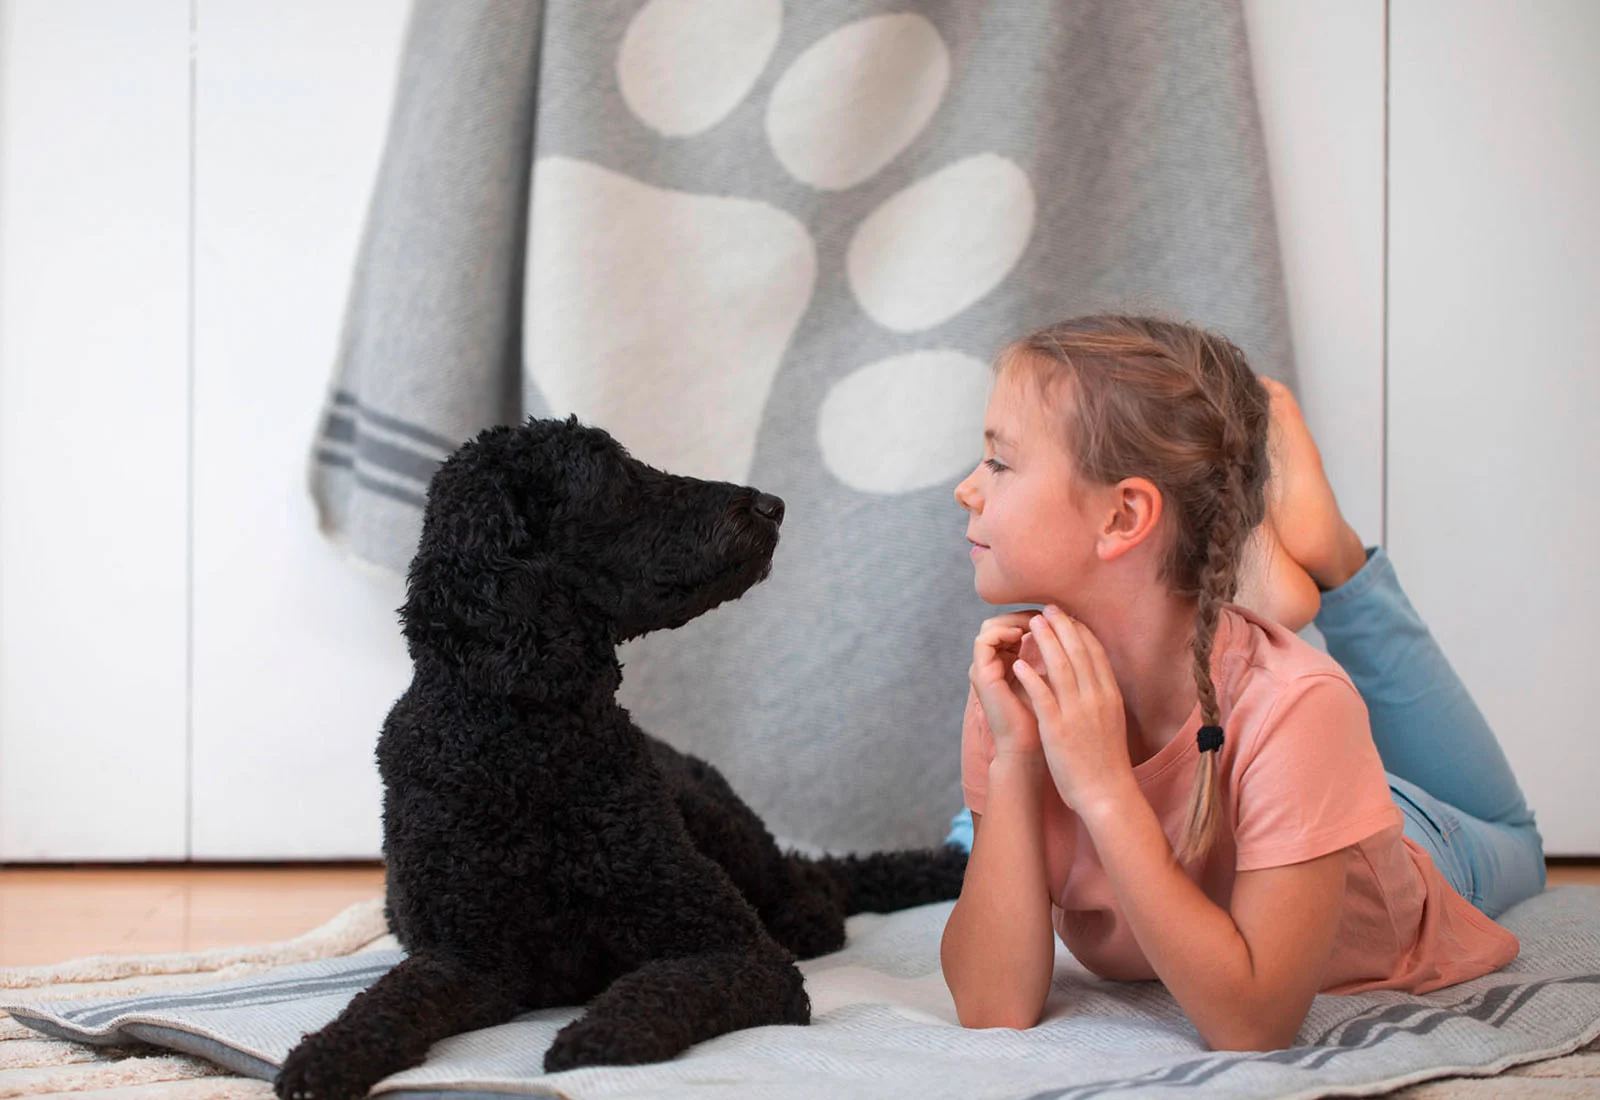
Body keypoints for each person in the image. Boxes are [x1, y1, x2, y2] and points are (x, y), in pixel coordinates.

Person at [938, 316, 1545, 1050]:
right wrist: (1015, 761)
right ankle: (1262, 592)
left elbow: (1254, 1024)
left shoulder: (1301, 707)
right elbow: (991, 1004)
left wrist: (1103, 790)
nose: (966, 490)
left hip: (1401, 838)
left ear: (1123, 515)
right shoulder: (1016, 684)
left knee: (1520, 845)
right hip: (1267, 763)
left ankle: (1337, 561)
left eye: (999, 463)